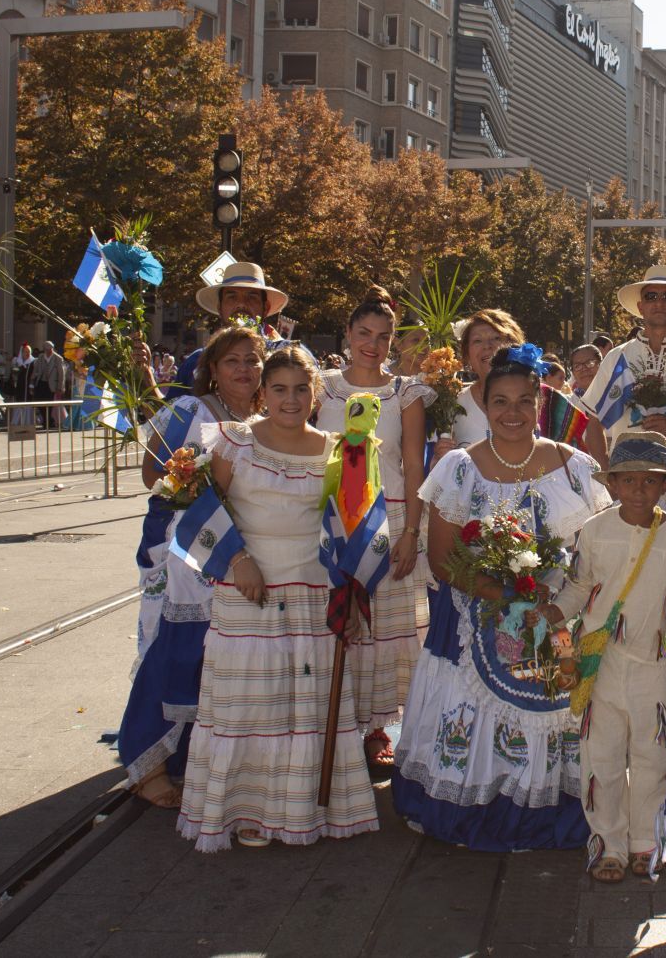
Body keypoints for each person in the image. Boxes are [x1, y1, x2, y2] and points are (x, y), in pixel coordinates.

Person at [393, 345, 611, 850]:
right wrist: (507, 595)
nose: (512, 413)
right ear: (483, 407)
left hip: (558, 617)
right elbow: (444, 559)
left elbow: (596, 548)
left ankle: (550, 802)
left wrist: (552, 601)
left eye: (523, 401)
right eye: (500, 403)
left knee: (555, 708)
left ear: (541, 402)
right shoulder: (458, 470)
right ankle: (476, 799)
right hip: (476, 614)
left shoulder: (575, 466)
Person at [179, 347, 376, 850]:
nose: (291, 399)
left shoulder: (342, 449)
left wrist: (352, 597)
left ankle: (303, 807)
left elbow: (355, 530)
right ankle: (248, 810)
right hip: (250, 590)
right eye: (280, 389)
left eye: (301, 389)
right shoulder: (233, 443)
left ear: (316, 394)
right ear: (263, 393)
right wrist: (237, 561)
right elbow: (201, 511)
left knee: (299, 709)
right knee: (253, 707)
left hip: (315, 592)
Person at [536, 432, 666, 883]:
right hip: (600, 662)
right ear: (612, 484)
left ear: (665, 485)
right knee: (602, 757)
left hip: (656, 663)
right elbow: (576, 586)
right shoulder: (594, 529)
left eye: (649, 482)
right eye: (628, 481)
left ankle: (647, 843)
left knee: (655, 757)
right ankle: (607, 845)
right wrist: (555, 609)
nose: (638, 490)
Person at [119, 326, 265, 809]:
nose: (244, 369)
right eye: (232, 362)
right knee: (180, 648)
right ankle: (148, 762)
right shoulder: (190, 410)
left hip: (250, 549)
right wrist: (188, 484)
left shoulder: (268, 417)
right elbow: (151, 473)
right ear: (213, 372)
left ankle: (201, 758)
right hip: (192, 552)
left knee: (229, 656)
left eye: (252, 360)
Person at [314, 287, 434, 771]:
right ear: (347, 333)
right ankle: (332, 723)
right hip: (330, 518)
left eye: (383, 337)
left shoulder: (405, 392)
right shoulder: (320, 387)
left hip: (391, 517)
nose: (373, 344)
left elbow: (412, 464)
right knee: (335, 624)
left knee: (384, 628)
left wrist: (411, 535)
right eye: (364, 333)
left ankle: (377, 729)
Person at [580, 266, 666, 511]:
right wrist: (608, 476)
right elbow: (592, 424)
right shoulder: (617, 357)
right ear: (641, 306)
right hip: (625, 493)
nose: (659, 303)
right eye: (651, 296)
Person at [444, 309, 601, 460]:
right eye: (477, 340)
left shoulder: (549, 400)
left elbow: (585, 448)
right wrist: (440, 456)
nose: (487, 346)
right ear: (467, 355)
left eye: (496, 338)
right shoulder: (453, 404)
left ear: (514, 345)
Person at [169, 262, 290, 398]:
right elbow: (166, 416)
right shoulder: (197, 361)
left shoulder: (288, 357)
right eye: (232, 297)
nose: (241, 304)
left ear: (265, 308)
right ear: (220, 308)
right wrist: (146, 378)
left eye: (252, 297)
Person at [31, 340, 71, 428]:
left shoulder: (58, 358)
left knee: (49, 404)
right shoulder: (40, 357)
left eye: (51, 349)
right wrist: (32, 382)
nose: (49, 351)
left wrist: (61, 387)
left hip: (52, 385)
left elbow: (61, 374)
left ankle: (48, 422)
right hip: (41, 383)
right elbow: (35, 370)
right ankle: (47, 420)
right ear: (44, 349)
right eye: (47, 349)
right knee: (39, 402)